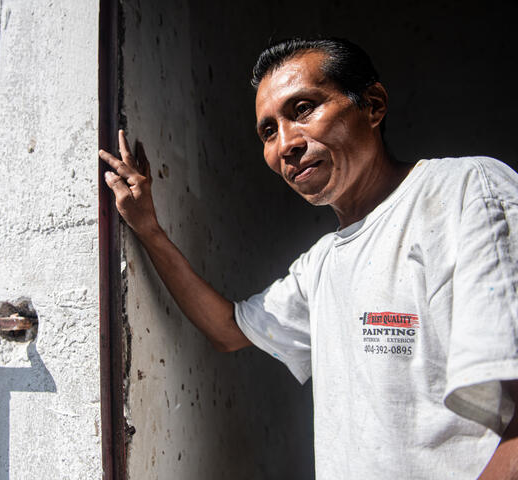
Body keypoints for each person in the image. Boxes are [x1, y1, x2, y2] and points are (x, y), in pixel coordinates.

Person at [99, 37, 518, 479]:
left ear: (373, 106)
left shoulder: (464, 191)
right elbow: (228, 330)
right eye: (268, 131)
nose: (285, 145)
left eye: (302, 109)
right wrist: (148, 229)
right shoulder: (321, 265)